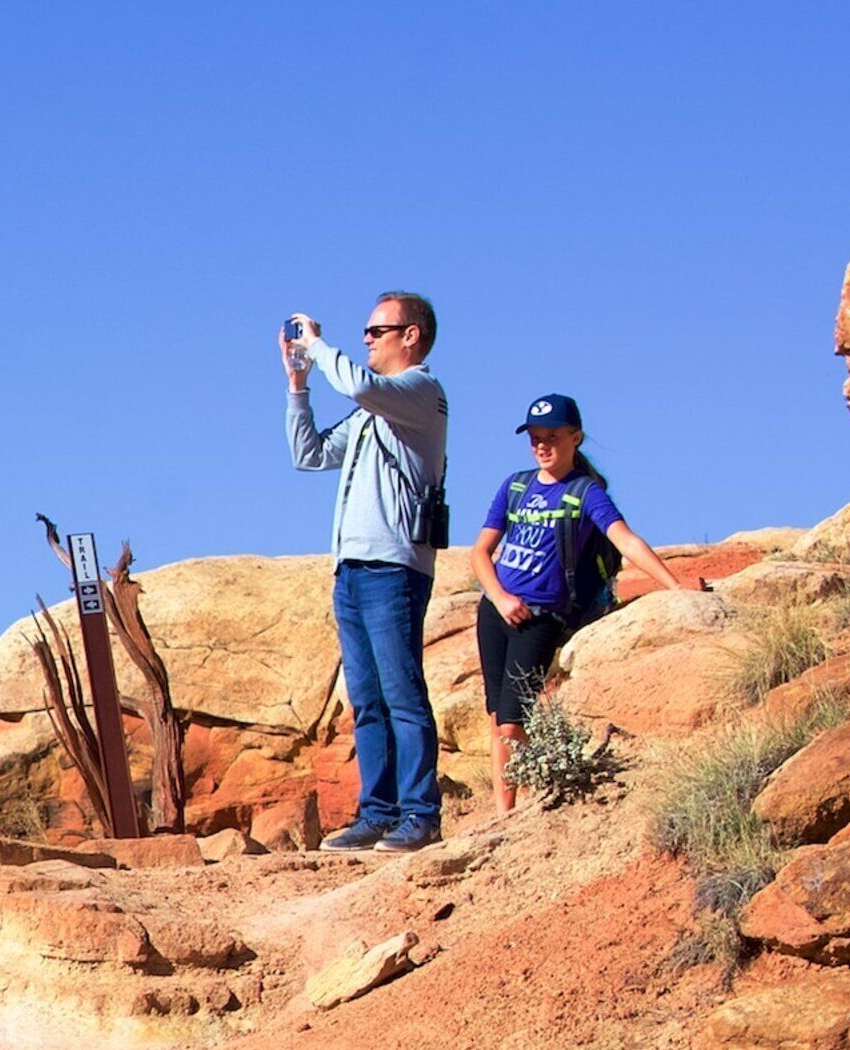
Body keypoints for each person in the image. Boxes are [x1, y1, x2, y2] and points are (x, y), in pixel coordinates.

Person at [470, 393, 710, 809]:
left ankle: (511, 812)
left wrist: (674, 587)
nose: (542, 445)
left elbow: (625, 539)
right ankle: (502, 811)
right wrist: (499, 597)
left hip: (539, 617)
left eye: (552, 436)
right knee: (497, 717)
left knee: (512, 720)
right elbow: (480, 552)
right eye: (534, 437)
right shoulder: (515, 486)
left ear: (575, 437)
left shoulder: (585, 492)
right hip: (496, 610)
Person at [285, 293, 451, 851]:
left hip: (393, 565)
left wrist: (316, 344)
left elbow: (359, 385)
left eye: (377, 331)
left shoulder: (420, 392)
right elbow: (307, 456)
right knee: (367, 699)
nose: (367, 339)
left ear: (412, 336)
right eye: (365, 332)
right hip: (351, 568)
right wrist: (298, 385)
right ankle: (377, 812)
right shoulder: (369, 412)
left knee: (402, 692)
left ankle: (420, 813)